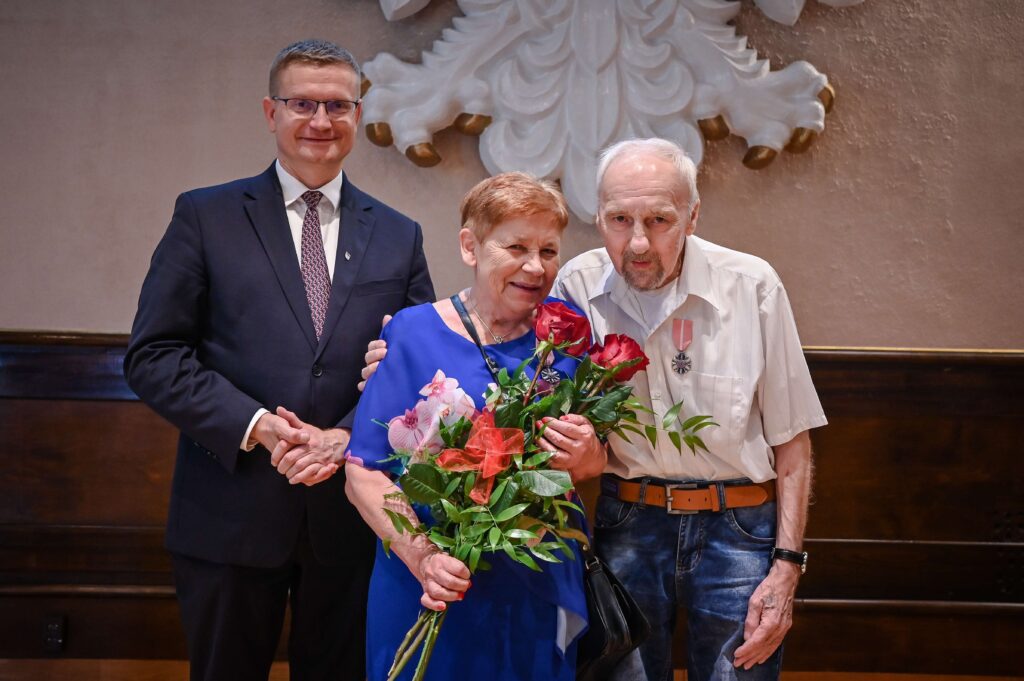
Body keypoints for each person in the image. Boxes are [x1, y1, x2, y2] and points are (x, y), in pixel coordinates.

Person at [361, 138, 825, 681]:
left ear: (692, 216)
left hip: (738, 528)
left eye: (659, 219)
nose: (638, 241)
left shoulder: (752, 287)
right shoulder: (572, 289)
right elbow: (471, 340)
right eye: (619, 219)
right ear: (598, 217)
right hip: (625, 522)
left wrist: (788, 566)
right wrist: (393, 362)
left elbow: (793, 437)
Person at [123, 39, 434, 681]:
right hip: (228, 516)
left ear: (356, 114)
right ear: (271, 112)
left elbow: (420, 373)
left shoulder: (399, 234)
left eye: (337, 106)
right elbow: (154, 356)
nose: (320, 121)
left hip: (351, 520)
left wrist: (345, 435)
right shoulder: (205, 216)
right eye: (302, 104)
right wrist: (261, 426)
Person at [344, 172, 606, 681]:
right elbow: (364, 472)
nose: (536, 266)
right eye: (516, 247)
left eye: (549, 251)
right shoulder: (413, 332)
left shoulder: (569, 339)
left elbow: (591, 465)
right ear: (471, 246)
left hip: (534, 576)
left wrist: (587, 451)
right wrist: (424, 558)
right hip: (427, 575)